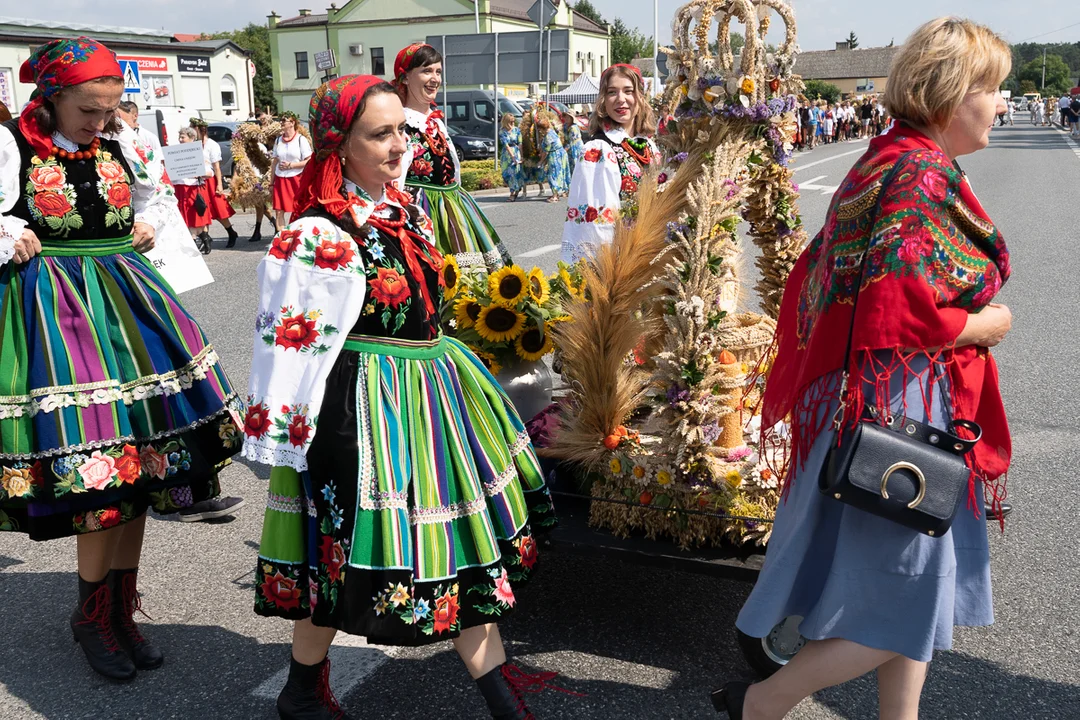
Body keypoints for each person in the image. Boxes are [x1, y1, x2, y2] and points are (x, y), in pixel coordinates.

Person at [713, 18, 1014, 719]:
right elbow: (899, 309)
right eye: (991, 88)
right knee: (912, 589)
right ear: (949, 92)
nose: (1001, 103)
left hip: (880, 397)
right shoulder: (917, 171)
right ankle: (763, 701)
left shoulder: (890, 157)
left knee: (907, 586)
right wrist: (985, 324)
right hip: (903, 401)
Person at [243, 74, 557, 720]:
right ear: (340, 146)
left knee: (460, 554)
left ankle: (500, 701)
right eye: (379, 135)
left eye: (400, 132)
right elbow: (288, 350)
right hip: (364, 416)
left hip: (429, 403)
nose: (397, 146)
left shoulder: (403, 209)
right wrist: (295, 445)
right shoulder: (320, 235)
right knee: (334, 561)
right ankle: (303, 689)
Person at [0, 37, 244, 682]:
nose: (100, 123)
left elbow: (152, 200)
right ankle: (90, 613)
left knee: (144, 465)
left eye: (109, 110)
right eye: (88, 109)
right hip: (58, 317)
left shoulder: (119, 144)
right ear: (49, 97)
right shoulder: (10, 147)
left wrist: (143, 224)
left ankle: (117, 608)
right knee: (100, 468)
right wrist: (8, 231)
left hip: (131, 310)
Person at [393, 43, 512, 270]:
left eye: (438, 72)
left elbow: (453, 171)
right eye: (426, 71)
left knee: (471, 280)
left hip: (454, 208)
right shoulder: (401, 124)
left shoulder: (435, 121)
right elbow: (393, 178)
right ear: (405, 77)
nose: (435, 78)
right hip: (421, 211)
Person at [560, 63, 660, 264]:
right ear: (603, 102)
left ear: (640, 97)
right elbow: (597, 228)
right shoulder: (598, 150)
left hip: (654, 255)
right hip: (623, 262)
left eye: (628, 91)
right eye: (612, 92)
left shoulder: (648, 145)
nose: (621, 99)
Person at [190, 117, 240, 248]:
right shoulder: (192, 144)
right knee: (201, 209)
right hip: (196, 181)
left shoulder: (212, 145)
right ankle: (206, 238)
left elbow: (217, 167)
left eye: (192, 128)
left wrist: (219, 184)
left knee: (218, 210)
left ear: (199, 129)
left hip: (209, 180)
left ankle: (231, 232)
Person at [172, 127, 214, 254]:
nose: (180, 140)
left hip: (192, 188)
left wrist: (199, 174)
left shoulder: (198, 153)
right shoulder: (174, 153)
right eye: (179, 137)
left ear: (191, 138)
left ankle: (195, 242)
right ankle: (204, 239)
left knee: (193, 217)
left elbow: (210, 172)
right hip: (179, 187)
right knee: (184, 217)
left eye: (183, 137)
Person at [271, 110, 311, 228]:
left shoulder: (300, 139)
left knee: (298, 209)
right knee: (279, 210)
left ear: (292, 123)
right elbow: (274, 163)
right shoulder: (278, 140)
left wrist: (291, 165)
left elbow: (309, 160)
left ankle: (298, 235)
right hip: (280, 179)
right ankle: (281, 238)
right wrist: (271, 183)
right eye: (280, 120)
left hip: (296, 178)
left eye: (284, 120)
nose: (281, 123)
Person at [538, 113, 570, 202]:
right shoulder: (552, 131)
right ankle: (558, 193)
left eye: (540, 129)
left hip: (555, 155)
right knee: (559, 173)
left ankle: (555, 196)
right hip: (561, 153)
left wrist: (541, 162)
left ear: (542, 128)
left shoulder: (548, 136)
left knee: (553, 174)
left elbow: (546, 151)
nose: (539, 131)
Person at [499, 112, 525, 201]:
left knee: (513, 173)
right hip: (507, 155)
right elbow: (506, 145)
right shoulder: (502, 131)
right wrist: (512, 156)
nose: (512, 123)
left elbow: (520, 143)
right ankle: (515, 189)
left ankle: (513, 193)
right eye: (510, 122)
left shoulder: (517, 130)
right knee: (506, 174)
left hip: (516, 151)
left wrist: (521, 156)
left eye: (513, 121)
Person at [560, 109, 585, 175]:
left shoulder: (573, 128)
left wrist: (563, 151)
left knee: (576, 166)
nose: (566, 118)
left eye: (568, 117)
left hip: (575, 148)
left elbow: (571, 142)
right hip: (569, 148)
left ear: (572, 118)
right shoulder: (565, 126)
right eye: (565, 116)